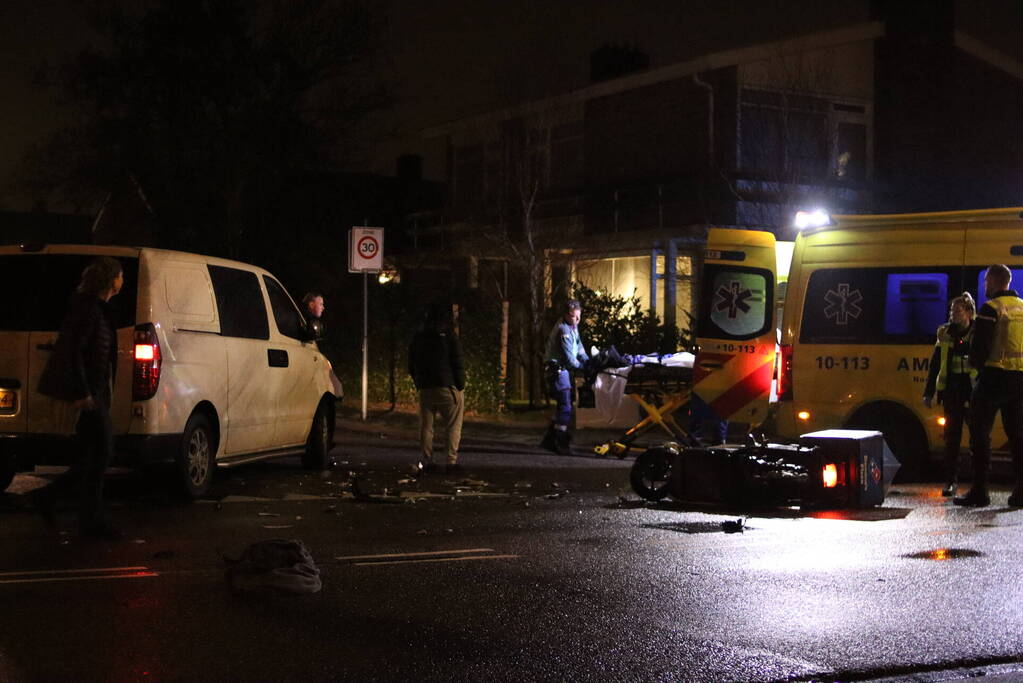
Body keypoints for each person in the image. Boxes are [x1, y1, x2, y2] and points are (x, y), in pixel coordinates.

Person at [32, 256, 124, 540]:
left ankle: (53, 500)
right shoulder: (88, 309)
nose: (123, 280)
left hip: (94, 391)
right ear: (112, 280)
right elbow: (72, 351)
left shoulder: (95, 308)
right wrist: (82, 392)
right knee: (102, 452)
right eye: (121, 275)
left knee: (93, 455)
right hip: (88, 393)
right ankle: (88, 520)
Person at [955, 265, 1023, 508]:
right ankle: (1021, 491)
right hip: (1020, 379)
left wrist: (974, 364)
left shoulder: (991, 309)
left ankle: (980, 491)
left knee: (980, 433)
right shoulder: (1022, 307)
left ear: (994, 281)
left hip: (994, 377)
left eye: (986, 281)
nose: (985, 286)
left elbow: (980, 350)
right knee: (1017, 436)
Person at [923, 292, 977, 497]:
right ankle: (951, 482)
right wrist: (928, 392)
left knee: (977, 438)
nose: (953, 314)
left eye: (957, 311)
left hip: (972, 391)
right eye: (951, 311)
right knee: (952, 439)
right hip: (953, 391)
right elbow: (935, 364)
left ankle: (977, 482)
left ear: (969, 313)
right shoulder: (944, 333)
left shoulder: (978, 331)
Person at [408, 303, 465, 474]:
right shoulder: (449, 336)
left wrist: (418, 381)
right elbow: (457, 362)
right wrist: (459, 386)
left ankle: (427, 460)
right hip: (446, 386)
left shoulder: (418, 337)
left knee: (426, 426)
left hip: (425, 386)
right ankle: (451, 461)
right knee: (453, 425)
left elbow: (411, 363)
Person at [541, 300, 589, 455]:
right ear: (566, 315)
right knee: (565, 406)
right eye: (573, 317)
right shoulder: (564, 330)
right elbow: (570, 359)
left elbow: (579, 347)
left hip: (562, 371)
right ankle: (559, 441)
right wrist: (586, 367)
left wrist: (588, 360)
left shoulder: (572, 327)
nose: (576, 320)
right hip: (557, 370)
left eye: (578, 317)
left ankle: (550, 440)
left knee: (564, 405)